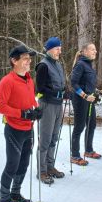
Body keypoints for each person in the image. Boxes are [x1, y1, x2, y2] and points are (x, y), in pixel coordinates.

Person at [0, 44, 41, 202]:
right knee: (12, 164)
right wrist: (22, 113)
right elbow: (0, 106)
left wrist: (36, 110)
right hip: (14, 129)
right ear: (14, 61)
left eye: (30, 59)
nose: (29, 62)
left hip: (28, 128)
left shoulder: (29, 79)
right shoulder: (7, 81)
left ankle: (15, 192)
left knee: (24, 163)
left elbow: (30, 100)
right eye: (25, 59)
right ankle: (4, 198)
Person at [35, 36, 66, 184]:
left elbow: (59, 84)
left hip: (58, 105)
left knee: (54, 137)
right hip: (47, 105)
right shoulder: (43, 65)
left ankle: (50, 166)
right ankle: (41, 171)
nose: (59, 51)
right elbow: (40, 88)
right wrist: (57, 93)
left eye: (60, 48)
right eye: (57, 48)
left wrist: (65, 92)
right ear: (49, 49)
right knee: (45, 139)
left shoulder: (58, 65)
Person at [70, 43, 102, 166]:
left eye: (95, 49)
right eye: (92, 49)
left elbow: (87, 83)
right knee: (79, 127)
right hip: (80, 100)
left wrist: (97, 91)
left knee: (91, 124)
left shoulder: (89, 65)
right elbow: (73, 84)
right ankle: (75, 155)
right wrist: (85, 95)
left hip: (90, 99)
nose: (95, 51)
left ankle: (89, 150)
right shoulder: (80, 65)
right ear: (84, 51)